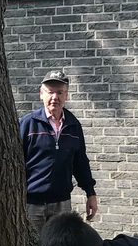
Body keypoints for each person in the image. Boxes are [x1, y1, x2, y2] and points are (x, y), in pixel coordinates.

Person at [18, 69, 98, 233]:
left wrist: (90, 193)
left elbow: (80, 162)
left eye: (60, 92)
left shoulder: (73, 126)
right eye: (50, 92)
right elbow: (14, 163)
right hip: (31, 205)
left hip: (61, 204)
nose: (55, 97)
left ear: (66, 96)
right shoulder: (27, 124)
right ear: (41, 94)